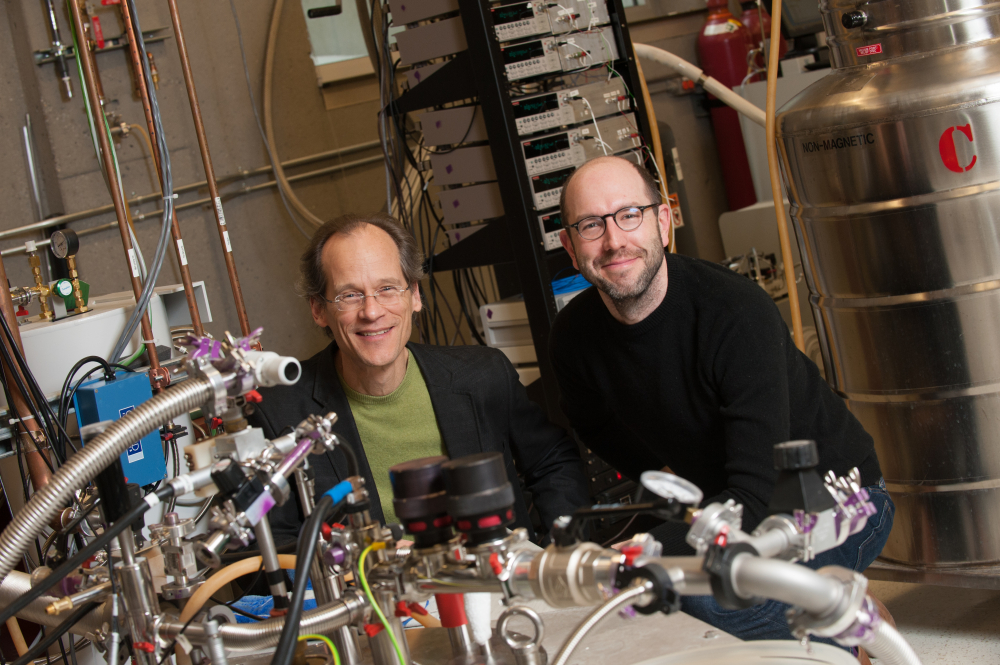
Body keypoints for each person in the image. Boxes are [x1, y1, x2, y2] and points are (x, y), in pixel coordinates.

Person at [549, 155, 894, 642]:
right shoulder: (573, 336)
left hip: (836, 501)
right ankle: (824, 605)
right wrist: (664, 480)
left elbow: (757, 495)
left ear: (663, 222)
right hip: (725, 505)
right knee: (637, 596)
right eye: (590, 225)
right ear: (569, 246)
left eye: (629, 215)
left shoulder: (734, 312)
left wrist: (648, 553)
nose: (613, 240)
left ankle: (842, 621)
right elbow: (594, 424)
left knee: (698, 600)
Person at [249, 212, 589, 546]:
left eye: (387, 288)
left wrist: (559, 552)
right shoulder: (279, 414)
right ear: (318, 309)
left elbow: (553, 462)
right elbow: (270, 542)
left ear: (414, 295)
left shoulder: (483, 375)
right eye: (349, 295)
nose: (372, 311)